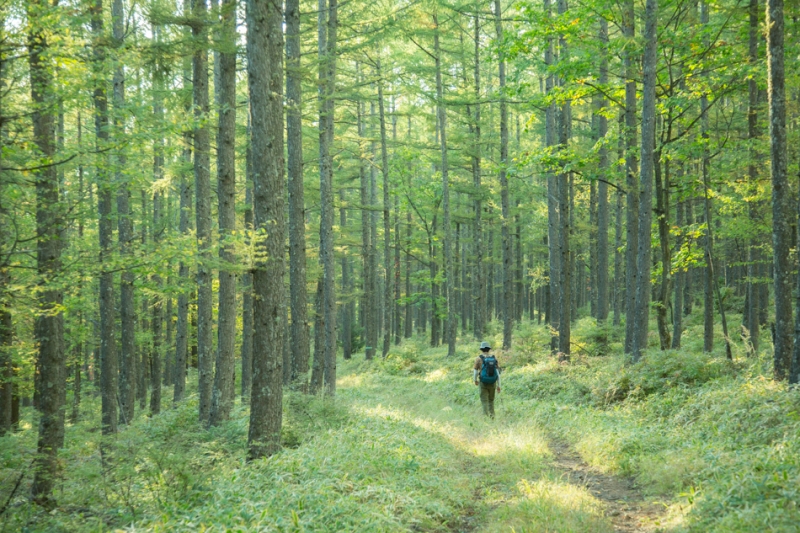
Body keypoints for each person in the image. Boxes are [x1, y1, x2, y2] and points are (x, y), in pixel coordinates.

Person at [473, 341, 501, 418]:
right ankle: (492, 416)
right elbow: (498, 373)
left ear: (481, 349)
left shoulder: (478, 359)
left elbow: (475, 372)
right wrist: (499, 385)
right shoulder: (493, 358)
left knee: (484, 400)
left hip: (483, 382)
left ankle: (485, 417)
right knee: (491, 400)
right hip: (493, 382)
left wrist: (475, 380)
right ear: (489, 349)